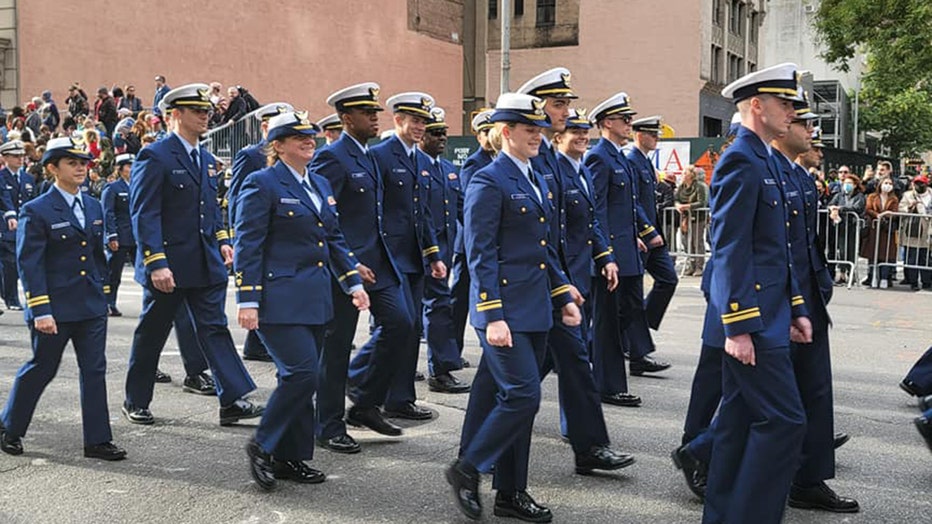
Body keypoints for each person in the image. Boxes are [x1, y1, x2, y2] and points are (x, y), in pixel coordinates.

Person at [446, 92, 581, 523]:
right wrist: (493, 313)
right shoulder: (488, 180)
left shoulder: (532, 176)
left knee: (515, 397)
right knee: (524, 395)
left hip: (535, 305)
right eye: (529, 130)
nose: (538, 137)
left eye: (540, 130)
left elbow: (543, 251)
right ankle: (468, 469)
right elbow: (479, 252)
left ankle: (511, 492)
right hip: (503, 310)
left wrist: (563, 294)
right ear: (506, 132)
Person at [700, 63, 813, 524]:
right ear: (757, 106)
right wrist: (740, 325)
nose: (792, 112)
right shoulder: (741, 158)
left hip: (771, 313)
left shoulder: (764, 156)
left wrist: (796, 307)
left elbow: (777, 249)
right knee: (786, 423)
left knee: (736, 422)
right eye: (785, 103)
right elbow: (728, 248)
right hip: (753, 322)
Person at [234, 110, 370, 491]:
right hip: (278, 298)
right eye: (298, 137)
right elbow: (249, 245)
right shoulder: (262, 183)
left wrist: (353, 283)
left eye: (310, 135)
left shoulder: (320, 182)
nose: (308, 140)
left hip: (316, 297)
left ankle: (289, 459)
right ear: (277, 146)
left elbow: (334, 239)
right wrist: (248, 299)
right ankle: (262, 445)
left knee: (299, 377)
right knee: (301, 374)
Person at [122, 83, 262, 426]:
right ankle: (135, 400)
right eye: (197, 112)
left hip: (202, 261)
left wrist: (222, 239)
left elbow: (209, 208)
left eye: (206, 112)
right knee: (153, 331)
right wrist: (156, 262)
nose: (205, 117)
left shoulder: (202, 156)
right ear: (176, 115)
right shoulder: (155, 155)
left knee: (214, 327)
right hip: (168, 264)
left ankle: (231, 399)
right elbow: (145, 213)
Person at [0, 137, 126, 461]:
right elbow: (30, 263)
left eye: (84, 161)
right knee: (43, 367)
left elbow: (97, 258)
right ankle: (9, 427)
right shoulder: (36, 209)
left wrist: (104, 294)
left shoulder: (94, 206)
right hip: (54, 309)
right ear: (52, 168)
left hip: (90, 306)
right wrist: (40, 308)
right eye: (72, 162)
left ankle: (97, 440)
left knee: (95, 370)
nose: (81, 167)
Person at [310, 83, 414, 452]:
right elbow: (324, 218)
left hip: (379, 264)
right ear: (345, 118)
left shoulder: (368, 155)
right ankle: (328, 425)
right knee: (336, 347)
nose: (374, 117)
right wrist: (350, 262)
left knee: (403, 324)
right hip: (345, 268)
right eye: (365, 112)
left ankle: (366, 402)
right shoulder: (331, 158)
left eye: (375, 112)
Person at [773, 95, 858, 513]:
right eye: (801, 122)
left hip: (806, 294)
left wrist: (820, 285)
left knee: (813, 391)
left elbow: (808, 244)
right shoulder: (764, 168)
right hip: (779, 301)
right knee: (770, 396)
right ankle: (704, 452)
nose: (808, 130)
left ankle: (808, 478)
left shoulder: (799, 176)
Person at [366, 91, 446, 420]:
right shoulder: (381, 155)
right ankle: (368, 387)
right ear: (397, 120)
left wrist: (434, 254)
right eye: (414, 120)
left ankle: (400, 398)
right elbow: (373, 210)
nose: (419, 127)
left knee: (411, 327)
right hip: (388, 256)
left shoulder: (417, 158)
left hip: (413, 257)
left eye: (423, 121)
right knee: (394, 325)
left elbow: (421, 212)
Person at [585, 91, 652, 407]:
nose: (630, 124)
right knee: (607, 324)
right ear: (606, 123)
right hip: (609, 255)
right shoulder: (600, 156)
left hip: (625, 251)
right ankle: (607, 385)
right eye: (625, 119)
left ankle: (601, 375)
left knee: (619, 317)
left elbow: (622, 207)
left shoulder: (617, 157)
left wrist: (632, 236)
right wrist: (605, 252)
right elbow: (595, 208)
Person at [228, 102, 294, 363]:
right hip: (258, 226)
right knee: (262, 282)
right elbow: (237, 196)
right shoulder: (251, 154)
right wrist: (236, 234)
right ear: (265, 126)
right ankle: (257, 342)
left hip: (280, 225)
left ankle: (257, 343)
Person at [418, 107, 470, 394]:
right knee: (421, 313)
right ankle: (438, 369)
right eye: (434, 133)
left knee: (438, 308)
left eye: (444, 134)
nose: (441, 138)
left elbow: (463, 211)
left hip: (445, 253)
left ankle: (441, 369)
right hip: (422, 252)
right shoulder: (418, 167)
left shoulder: (449, 170)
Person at [626, 116, 677, 373]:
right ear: (638, 135)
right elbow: (630, 202)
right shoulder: (631, 161)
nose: (656, 138)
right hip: (641, 237)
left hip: (652, 236)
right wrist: (644, 230)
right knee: (625, 300)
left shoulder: (645, 161)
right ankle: (636, 351)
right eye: (652, 134)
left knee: (669, 279)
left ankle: (636, 334)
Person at [451, 108, 495, 364]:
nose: (491, 136)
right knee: (459, 300)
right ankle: (452, 351)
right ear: (479, 136)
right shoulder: (475, 163)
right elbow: (470, 206)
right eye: (486, 132)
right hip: (469, 245)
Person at [0, 140, 34, 311]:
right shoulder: (1, 177)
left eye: (22, 156)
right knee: (10, 264)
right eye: (15, 156)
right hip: (5, 227)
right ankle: (11, 297)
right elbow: (5, 200)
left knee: (19, 263)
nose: (20, 159)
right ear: (5, 158)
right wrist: (9, 216)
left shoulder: (28, 178)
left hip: (23, 227)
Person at [826, 172, 866, 285]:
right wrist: (832, 208)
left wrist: (840, 208)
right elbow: (831, 204)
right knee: (842, 251)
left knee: (851, 250)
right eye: (845, 183)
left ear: (855, 185)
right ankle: (842, 273)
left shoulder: (860, 196)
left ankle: (851, 273)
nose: (846, 185)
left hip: (853, 227)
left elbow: (857, 208)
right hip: (841, 226)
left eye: (850, 183)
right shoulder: (839, 195)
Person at [860, 175, 899, 288]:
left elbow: (895, 212)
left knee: (885, 253)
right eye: (885, 183)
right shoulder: (872, 196)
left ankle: (884, 278)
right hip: (874, 228)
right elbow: (868, 209)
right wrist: (878, 215)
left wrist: (886, 216)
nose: (888, 185)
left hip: (887, 230)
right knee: (873, 253)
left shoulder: (894, 199)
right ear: (880, 185)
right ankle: (872, 276)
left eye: (890, 184)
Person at [898, 174, 932, 290]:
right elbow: (901, 208)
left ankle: (927, 282)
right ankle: (913, 282)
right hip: (913, 231)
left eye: (921, 183)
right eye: (916, 183)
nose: (918, 185)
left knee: (926, 258)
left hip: (929, 231)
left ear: (926, 184)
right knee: (912, 258)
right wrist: (910, 207)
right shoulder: (908, 195)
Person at [675, 165, 709, 276]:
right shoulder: (682, 187)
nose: (683, 175)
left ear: (691, 175)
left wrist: (687, 206)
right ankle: (691, 265)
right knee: (686, 242)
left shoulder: (700, 186)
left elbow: (702, 202)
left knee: (697, 241)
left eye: (685, 173)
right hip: (685, 218)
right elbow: (676, 199)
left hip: (698, 218)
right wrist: (678, 205)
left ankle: (699, 267)